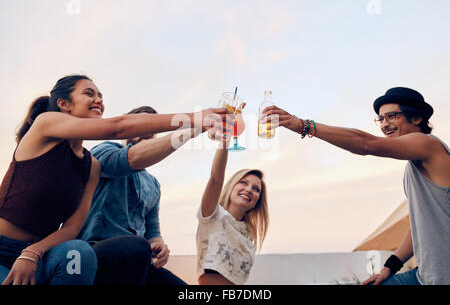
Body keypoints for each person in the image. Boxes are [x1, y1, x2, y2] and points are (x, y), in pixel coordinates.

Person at [0, 74, 228, 285]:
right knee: (91, 250)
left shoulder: (92, 166)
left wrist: (33, 252)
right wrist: (196, 119)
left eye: (101, 95)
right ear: (64, 104)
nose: (98, 100)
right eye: (89, 93)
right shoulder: (46, 124)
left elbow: (72, 227)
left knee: (77, 253)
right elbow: (118, 128)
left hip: (43, 252)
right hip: (4, 248)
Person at [262, 87, 450, 285]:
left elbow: (365, 143)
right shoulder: (413, 168)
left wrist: (303, 125)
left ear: (417, 118)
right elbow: (418, 224)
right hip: (423, 276)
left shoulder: (428, 145)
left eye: (392, 117)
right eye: (381, 119)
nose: (385, 125)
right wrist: (390, 267)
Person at [78, 105, 202, 285]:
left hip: (137, 258)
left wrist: (160, 246)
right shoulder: (103, 150)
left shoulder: (154, 185)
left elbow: (153, 231)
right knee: (136, 247)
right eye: (143, 125)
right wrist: (193, 129)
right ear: (129, 127)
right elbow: (131, 159)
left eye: (153, 128)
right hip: (93, 253)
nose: (148, 131)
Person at [196, 138, 269, 285]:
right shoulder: (213, 215)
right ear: (231, 187)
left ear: (256, 202)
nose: (249, 190)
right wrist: (225, 139)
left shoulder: (248, 235)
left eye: (256, 189)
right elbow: (215, 179)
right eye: (243, 183)